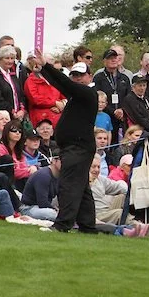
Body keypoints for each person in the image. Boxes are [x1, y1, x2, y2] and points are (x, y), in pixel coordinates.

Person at [36, 57, 99, 233]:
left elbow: (65, 84)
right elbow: (63, 85)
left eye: (81, 75)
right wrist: (44, 69)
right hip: (75, 147)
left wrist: (47, 66)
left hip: (78, 147)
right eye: (74, 75)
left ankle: (62, 225)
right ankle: (88, 226)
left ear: (89, 76)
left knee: (69, 185)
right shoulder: (77, 95)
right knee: (81, 187)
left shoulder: (88, 93)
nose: (77, 78)